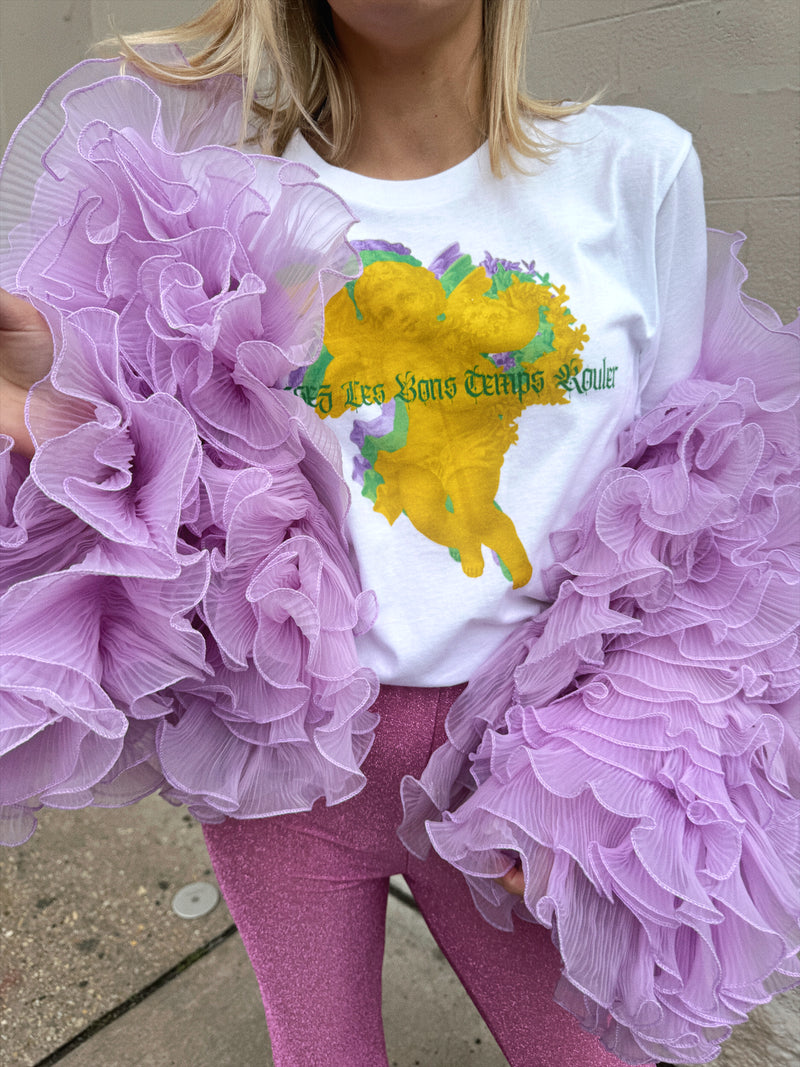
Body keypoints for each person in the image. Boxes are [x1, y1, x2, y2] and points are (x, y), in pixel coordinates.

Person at [0, 3, 797, 1066]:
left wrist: (598, 795)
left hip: (517, 769)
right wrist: (60, 414)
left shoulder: (635, 172)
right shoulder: (213, 195)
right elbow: (161, 520)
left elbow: (693, 517)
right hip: (280, 762)